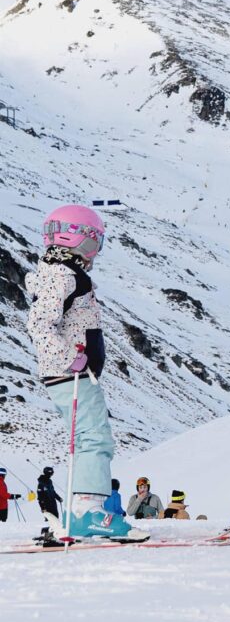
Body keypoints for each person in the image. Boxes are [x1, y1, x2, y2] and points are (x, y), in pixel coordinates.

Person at [24, 205, 140, 540]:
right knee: (94, 438)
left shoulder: (62, 274)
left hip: (73, 372)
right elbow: (39, 324)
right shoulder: (63, 276)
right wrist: (68, 358)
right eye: (93, 244)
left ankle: (84, 509)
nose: (95, 254)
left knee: (88, 437)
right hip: (71, 373)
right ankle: (87, 512)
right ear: (78, 239)